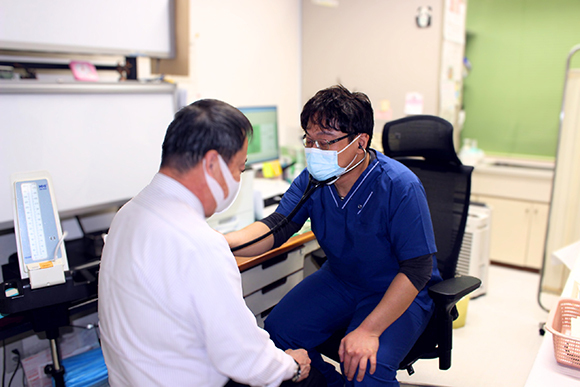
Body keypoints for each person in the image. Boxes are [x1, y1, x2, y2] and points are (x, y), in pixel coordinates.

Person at [98, 99, 326, 386]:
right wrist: (292, 366)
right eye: (240, 170)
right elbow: (245, 358)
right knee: (310, 377)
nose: (238, 180)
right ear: (211, 164)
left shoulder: (128, 214)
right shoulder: (197, 244)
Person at [226, 85, 443, 387]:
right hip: (341, 279)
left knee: (366, 367)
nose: (314, 151)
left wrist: (368, 330)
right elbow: (279, 226)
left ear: (360, 142)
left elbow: (417, 269)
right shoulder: (314, 180)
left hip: (397, 289)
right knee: (278, 332)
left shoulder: (399, 185)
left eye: (325, 142)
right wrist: (225, 242)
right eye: (309, 140)